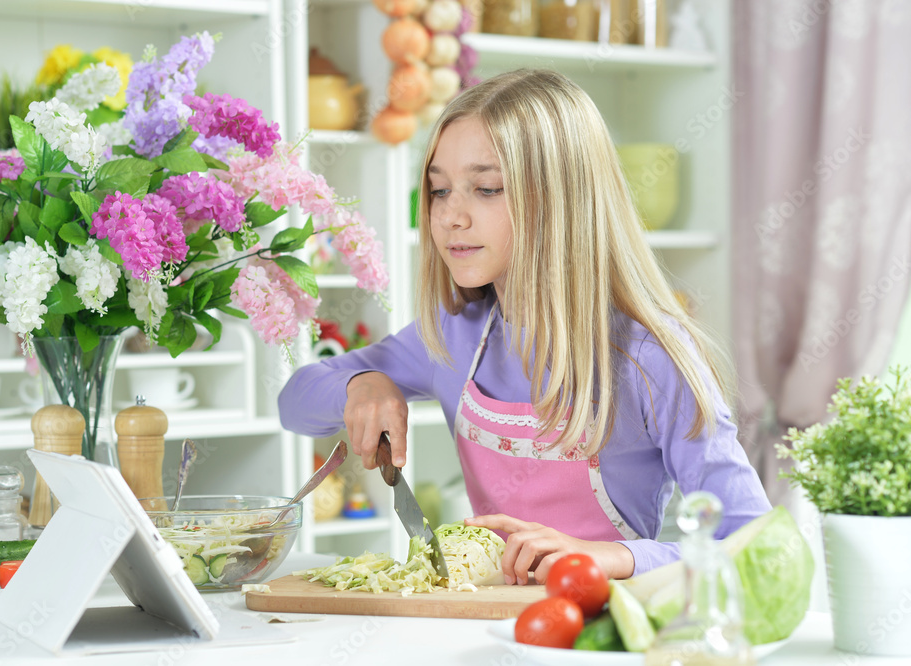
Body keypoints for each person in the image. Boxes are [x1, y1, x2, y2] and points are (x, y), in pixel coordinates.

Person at [278, 69, 771, 583]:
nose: (450, 217)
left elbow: (752, 544)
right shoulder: (454, 335)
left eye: (486, 188)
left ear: (562, 198)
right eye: (440, 190)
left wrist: (618, 557)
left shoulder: (650, 355)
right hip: (492, 618)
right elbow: (294, 401)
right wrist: (362, 385)